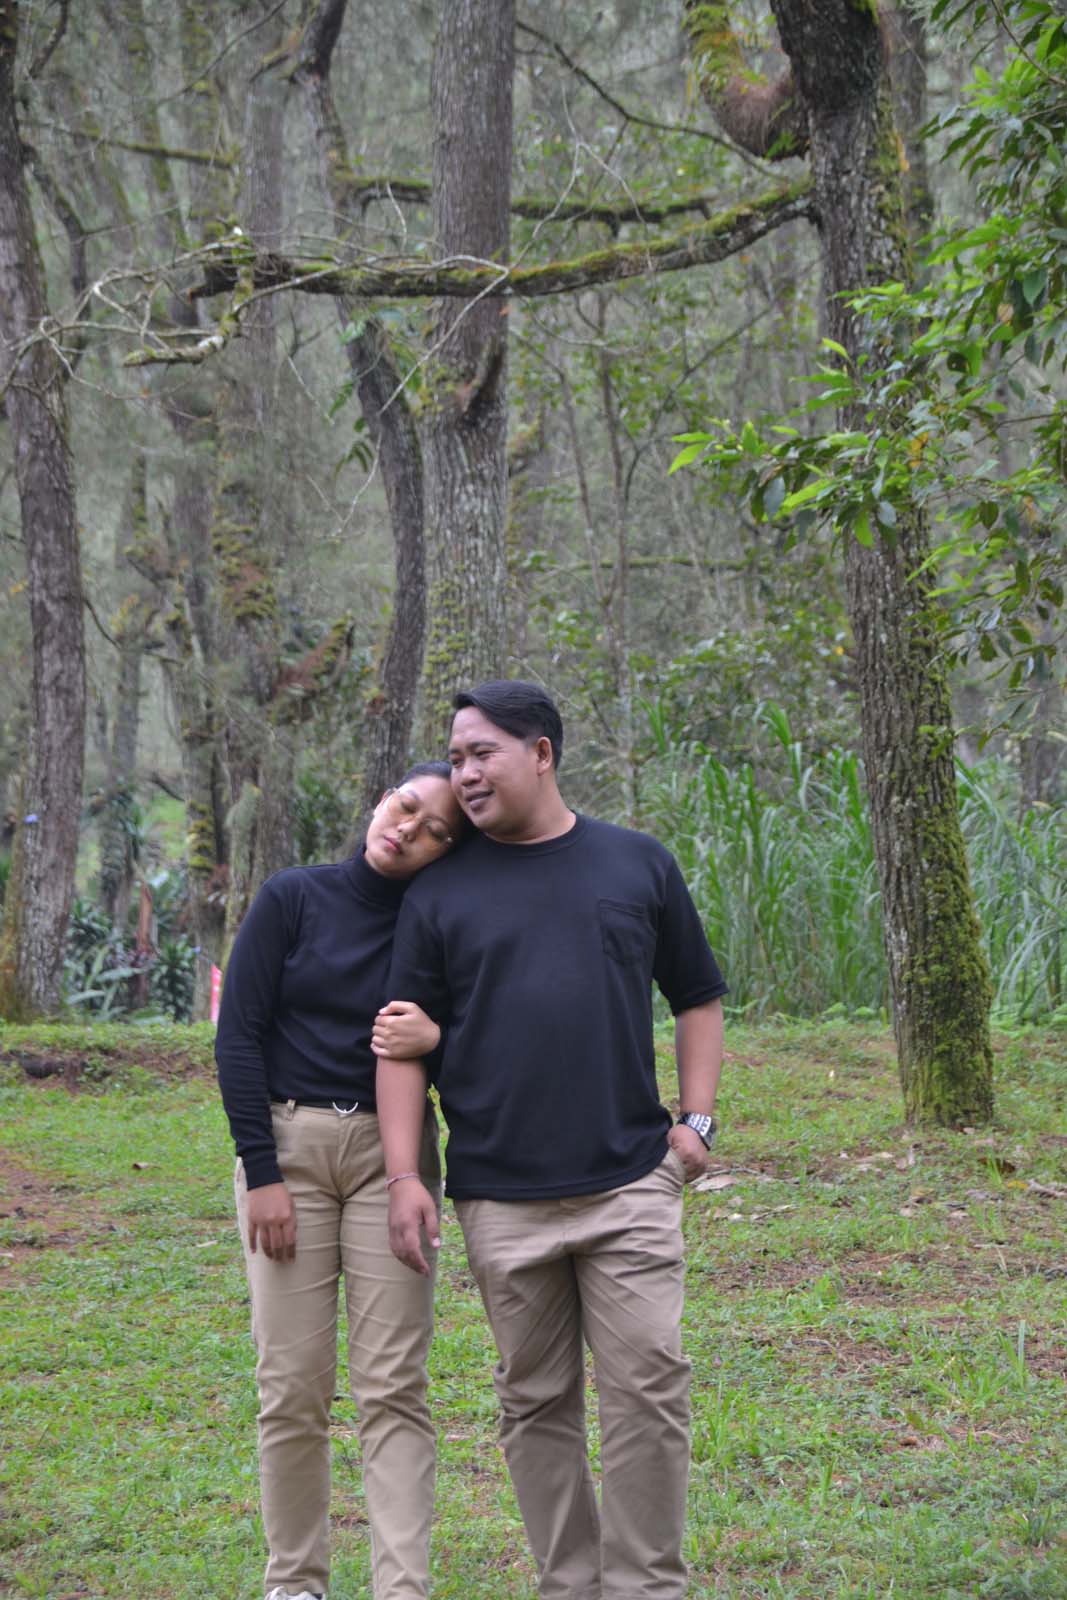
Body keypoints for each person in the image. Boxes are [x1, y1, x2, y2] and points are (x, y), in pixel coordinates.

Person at [376, 682, 727, 1600]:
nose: (464, 773)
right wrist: (405, 1175)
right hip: (499, 1195)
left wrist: (695, 1123)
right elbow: (401, 1042)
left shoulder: (635, 863)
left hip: (628, 1183)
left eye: (480, 753)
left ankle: (645, 1587)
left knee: (648, 1389)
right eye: (455, 758)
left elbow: (696, 994)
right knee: (533, 1404)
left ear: (540, 753)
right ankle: (569, 1585)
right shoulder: (440, 893)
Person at [216, 762, 465, 1600]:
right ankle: (295, 1581)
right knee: (292, 1386)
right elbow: (238, 1036)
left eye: (435, 832)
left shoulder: (439, 927)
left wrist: (440, 1037)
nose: (408, 831)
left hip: (393, 1161)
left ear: (447, 854)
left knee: (394, 1385)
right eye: (406, 807)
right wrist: (261, 1172)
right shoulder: (294, 897)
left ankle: (402, 1587)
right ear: (382, 797)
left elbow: (472, 1043)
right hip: (287, 1149)